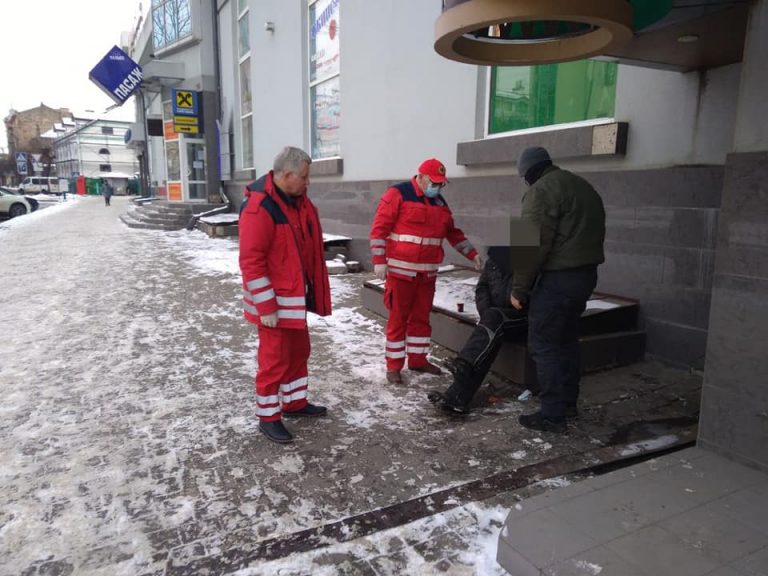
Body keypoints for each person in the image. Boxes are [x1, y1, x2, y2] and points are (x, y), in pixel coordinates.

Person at [239, 146, 332, 444]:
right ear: (287, 174)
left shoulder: (298, 201)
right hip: (274, 308)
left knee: (298, 353)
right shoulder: (260, 208)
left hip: (294, 303)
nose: (308, 182)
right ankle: (268, 417)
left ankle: (294, 403)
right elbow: (251, 262)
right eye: (304, 177)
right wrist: (266, 307)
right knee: (273, 362)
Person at [512, 147, 606, 434]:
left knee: (544, 344)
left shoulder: (540, 192)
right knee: (566, 341)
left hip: (558, 279)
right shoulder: (582, 185)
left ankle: (552, 414)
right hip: (585, 275)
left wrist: (519, 288)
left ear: (528, 172)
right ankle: (568, 404)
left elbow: (528, 244)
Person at [369, 158, 482, 384]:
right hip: (401, 274)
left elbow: (453, 233)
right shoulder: (397, 194)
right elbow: (379, 229)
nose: (437, 187)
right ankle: (394, 367)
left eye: (441, 184)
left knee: (421, 319)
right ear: (420, 177)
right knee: (398, 320)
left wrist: (472, 254)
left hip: (427, 275)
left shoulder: (439, 203)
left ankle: (418, 360)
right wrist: (379, 260)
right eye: (434, 182)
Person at [428, 246, 528, 414]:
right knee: (488, 335)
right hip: (497, 317)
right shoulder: (496, 260)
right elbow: (482, 288)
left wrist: (492, 315)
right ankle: (456, 399)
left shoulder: (531, 264)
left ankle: (464, 367)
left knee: (489, 329)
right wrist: (486, 312)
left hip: (524, 317)